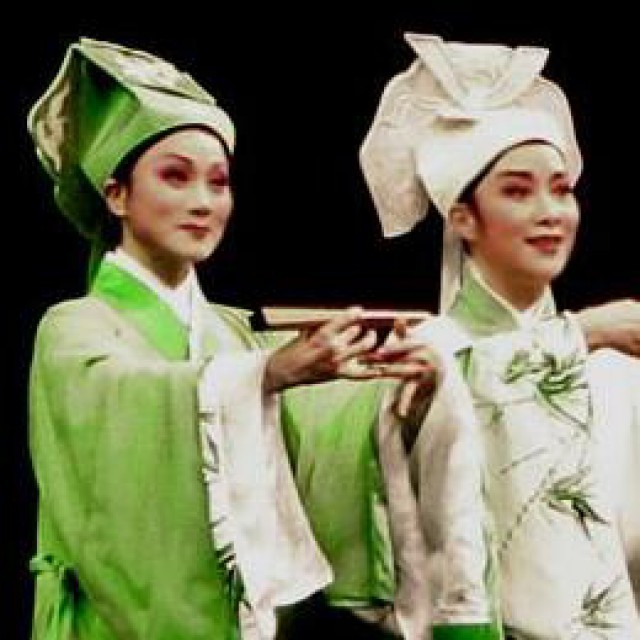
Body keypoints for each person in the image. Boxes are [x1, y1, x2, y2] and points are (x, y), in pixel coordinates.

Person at [26, 38, 433, 640]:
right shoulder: (75, 327)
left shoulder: (232, 334)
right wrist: (270, 375)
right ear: (117, 195)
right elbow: (126, 396)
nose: (202, 202)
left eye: (218, 183)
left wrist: (398, 392)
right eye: (175, 176)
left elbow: (321, 438)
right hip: (108, 622)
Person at [357, 32, 640, 638]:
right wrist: (582, 332)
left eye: (561, 190)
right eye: (516, 190)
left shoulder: (614, 365)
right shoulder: (427, 353)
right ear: (462, 218)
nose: (549, 212)